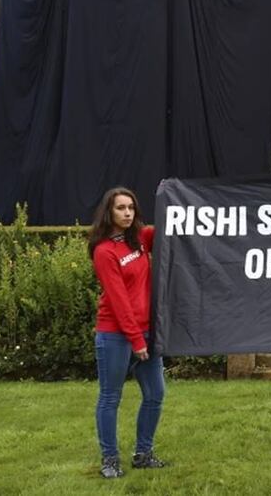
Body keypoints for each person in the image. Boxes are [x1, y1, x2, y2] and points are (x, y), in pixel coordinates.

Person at [89, 187, 166, 479]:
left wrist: (181, 199)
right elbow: (119, 301)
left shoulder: (140, 239)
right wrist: (136, 340)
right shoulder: (104, 251)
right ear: (109, 212)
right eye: (121, 208)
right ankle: (110, 459)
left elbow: (170, 226)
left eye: (131, 207)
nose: (127, 213)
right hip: (115, 335)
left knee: (156, 394)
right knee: (110, 396)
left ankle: (143, 454)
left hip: (146, 332)